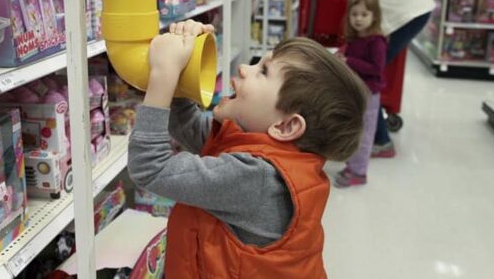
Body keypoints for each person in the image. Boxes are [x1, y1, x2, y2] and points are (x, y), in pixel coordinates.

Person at [128, 20, 367, 278]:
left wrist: (164, 74)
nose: (243, 68)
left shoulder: (256, 178)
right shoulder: (258, 144)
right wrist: (184, 67)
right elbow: (186, 124)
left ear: (286, 126)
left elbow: (150, 168)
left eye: (263, 71)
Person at [306, 0, 435, 158]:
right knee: (359, 75)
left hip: (405, 12)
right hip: (390, 14)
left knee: (363, 77)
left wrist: (362, 40)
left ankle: (379, 141)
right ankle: (372, 136)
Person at [336, 0, 387, 187]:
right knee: (355, 130)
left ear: (374, 16)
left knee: (364, 133)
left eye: (364, 14)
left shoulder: (377, 41)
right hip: (356, 91)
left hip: (368, 93)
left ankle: (359, 172)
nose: (358, 19)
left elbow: (376, 68)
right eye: (354, 14)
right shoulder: (356, 38)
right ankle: (352, 165)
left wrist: (349, 61)